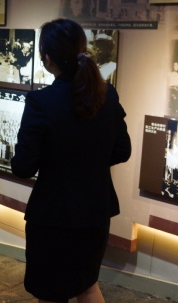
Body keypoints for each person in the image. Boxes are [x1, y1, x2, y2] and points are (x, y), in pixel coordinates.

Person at [11, 18, 131, 303]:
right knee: (87, 287)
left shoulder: (41, 102)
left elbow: (23, 167)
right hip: (96, 211)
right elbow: (122, 151)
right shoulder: (108, 94)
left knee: (51, 293)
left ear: (47, 58)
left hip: (53, 216)